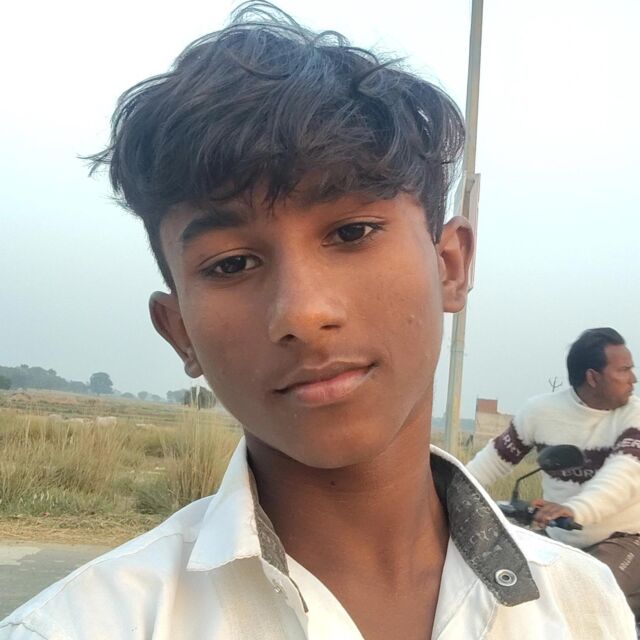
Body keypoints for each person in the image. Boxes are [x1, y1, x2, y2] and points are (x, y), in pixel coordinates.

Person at [1, 3, 634, 638]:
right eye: (231, 264)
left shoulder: (582, 606)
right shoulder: (78, 627)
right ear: (179, 331)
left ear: (449, 264)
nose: (302, 314)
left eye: (352, 231)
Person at [468, 327, 640, 619]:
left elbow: (624, 475)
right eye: (624, 370)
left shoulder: (634, 415)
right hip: (559, 540)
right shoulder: (540, 412)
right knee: (505, 592)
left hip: (625, 538)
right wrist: (447, 488)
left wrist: (574, 510)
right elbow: (492, 462)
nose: (633, 379)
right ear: (593, 377)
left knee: (588, 599)